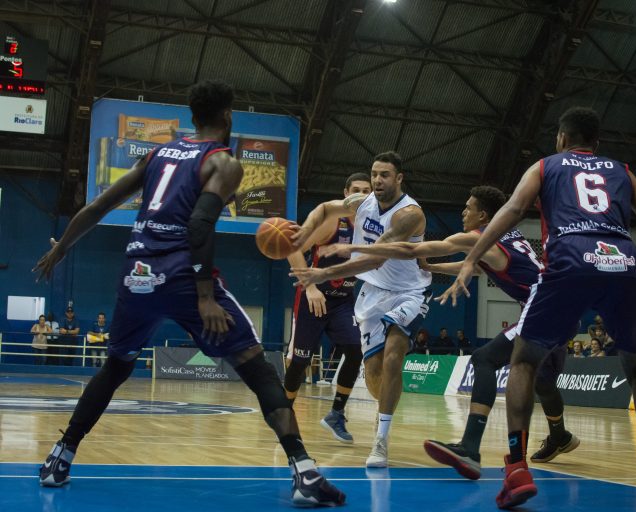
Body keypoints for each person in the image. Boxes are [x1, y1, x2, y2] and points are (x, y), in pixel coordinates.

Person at [32, 80, 344, 506]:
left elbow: (97, 207)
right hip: (181, 276)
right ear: (228, 116)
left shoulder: (157, 153)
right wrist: (204, 296)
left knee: (115, 368)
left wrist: (62, 248)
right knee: (258, 370)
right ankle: (305, 473)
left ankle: (60, 457)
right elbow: (198, 224)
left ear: (192, 117)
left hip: (136, 274)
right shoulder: (223, 162)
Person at [442, 106, 636, 508]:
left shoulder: (545, 166)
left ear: (561, 138)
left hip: (570, 259)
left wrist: (472, 257)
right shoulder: (622, 171)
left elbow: (512, 210)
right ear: (596, 142)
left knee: (523, 361)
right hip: (621, 261)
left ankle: (516, 468)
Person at [319, 185, 578, 479]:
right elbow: (478, 268)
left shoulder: (478, 238)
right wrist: (433, 268)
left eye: (468, 207)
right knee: (543, 380)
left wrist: (358, 249)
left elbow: (415, 249)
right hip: (561, 309)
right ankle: (559, 435)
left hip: (545, 311)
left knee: (483, 359)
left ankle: (470, 447)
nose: (463, 212)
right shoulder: (508, 236)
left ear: (483, 215)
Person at [290, 150, 432, 468]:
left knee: (393, 355)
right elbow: (326, 208)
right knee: (374, 372)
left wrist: (323, 273)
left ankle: (380, 441)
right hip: (371, 294)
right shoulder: (362, 202)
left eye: (385, 175)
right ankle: (384, 403)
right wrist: (303, 233)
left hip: (409, 292)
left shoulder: (409, 214)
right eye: (374, 174)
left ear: (399, 178)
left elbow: (375, 258)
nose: (377, 180)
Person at [283, 172, 371, 444]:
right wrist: (309, 287)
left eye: (366, 190)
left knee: (355, 352)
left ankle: (336, 414)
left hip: (343, 300)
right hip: (314, 299)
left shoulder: (372, 226)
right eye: (356, 189)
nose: (361, 194)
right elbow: (292, 248)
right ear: (346, 193)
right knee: (300, 362)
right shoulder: (333, 221)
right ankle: (284, 416)